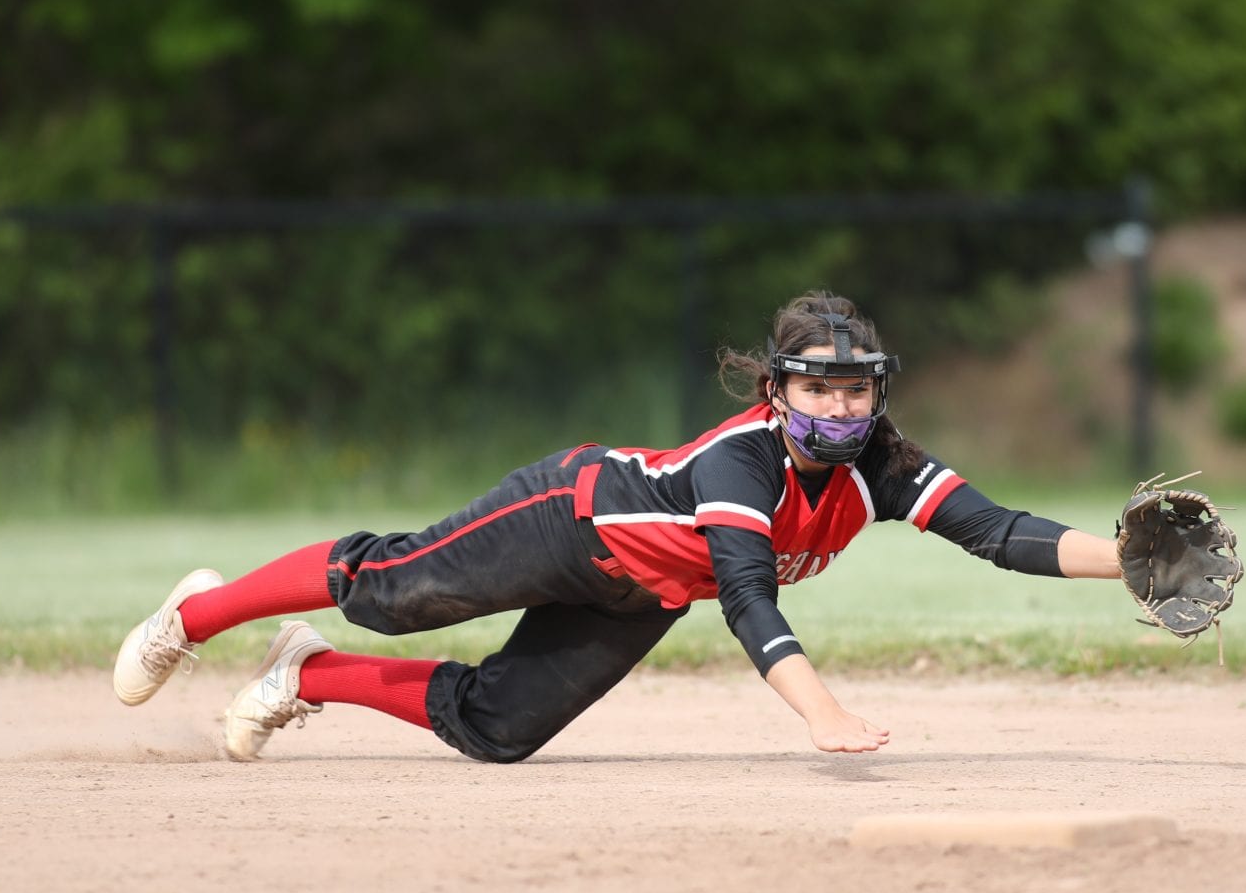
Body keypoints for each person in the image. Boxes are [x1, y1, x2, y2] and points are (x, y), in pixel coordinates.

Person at [112, 291, 1129, 761]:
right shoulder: (743, 459)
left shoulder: (880, 466)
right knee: (388, 592)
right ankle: (196, 618)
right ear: (775, 392)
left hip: (638, 590)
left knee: (499, 730)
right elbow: (744, 594)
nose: (842, 411)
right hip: (571, 516)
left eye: (856, 392)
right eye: (819, 389)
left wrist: (1122, 563)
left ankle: (304, 670)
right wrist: (819, 712)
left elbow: (1000, 532)